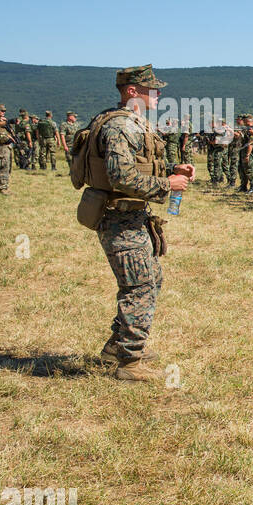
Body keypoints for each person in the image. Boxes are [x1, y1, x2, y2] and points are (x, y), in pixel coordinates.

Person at [80, 65, 194, 380]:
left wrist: (172, 166)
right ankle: (129, 363)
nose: (157, 94)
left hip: (129, 216)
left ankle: (118, 345)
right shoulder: (120, 127)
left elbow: (133, 165)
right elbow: (120, 176)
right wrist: (167, 184)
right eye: (151, 89)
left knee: (150, 278)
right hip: (120, 218)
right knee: (139, 286)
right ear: (133, 91)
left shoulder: (126, 122)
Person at [0, 105, 15, 193]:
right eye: (1, 111)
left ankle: (5, 186)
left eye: (4, 111)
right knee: (3, 166)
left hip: (6, 147)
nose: (3, 112)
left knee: (7, 167)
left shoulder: (2, 121)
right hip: (0, 146)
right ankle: (2, 188)